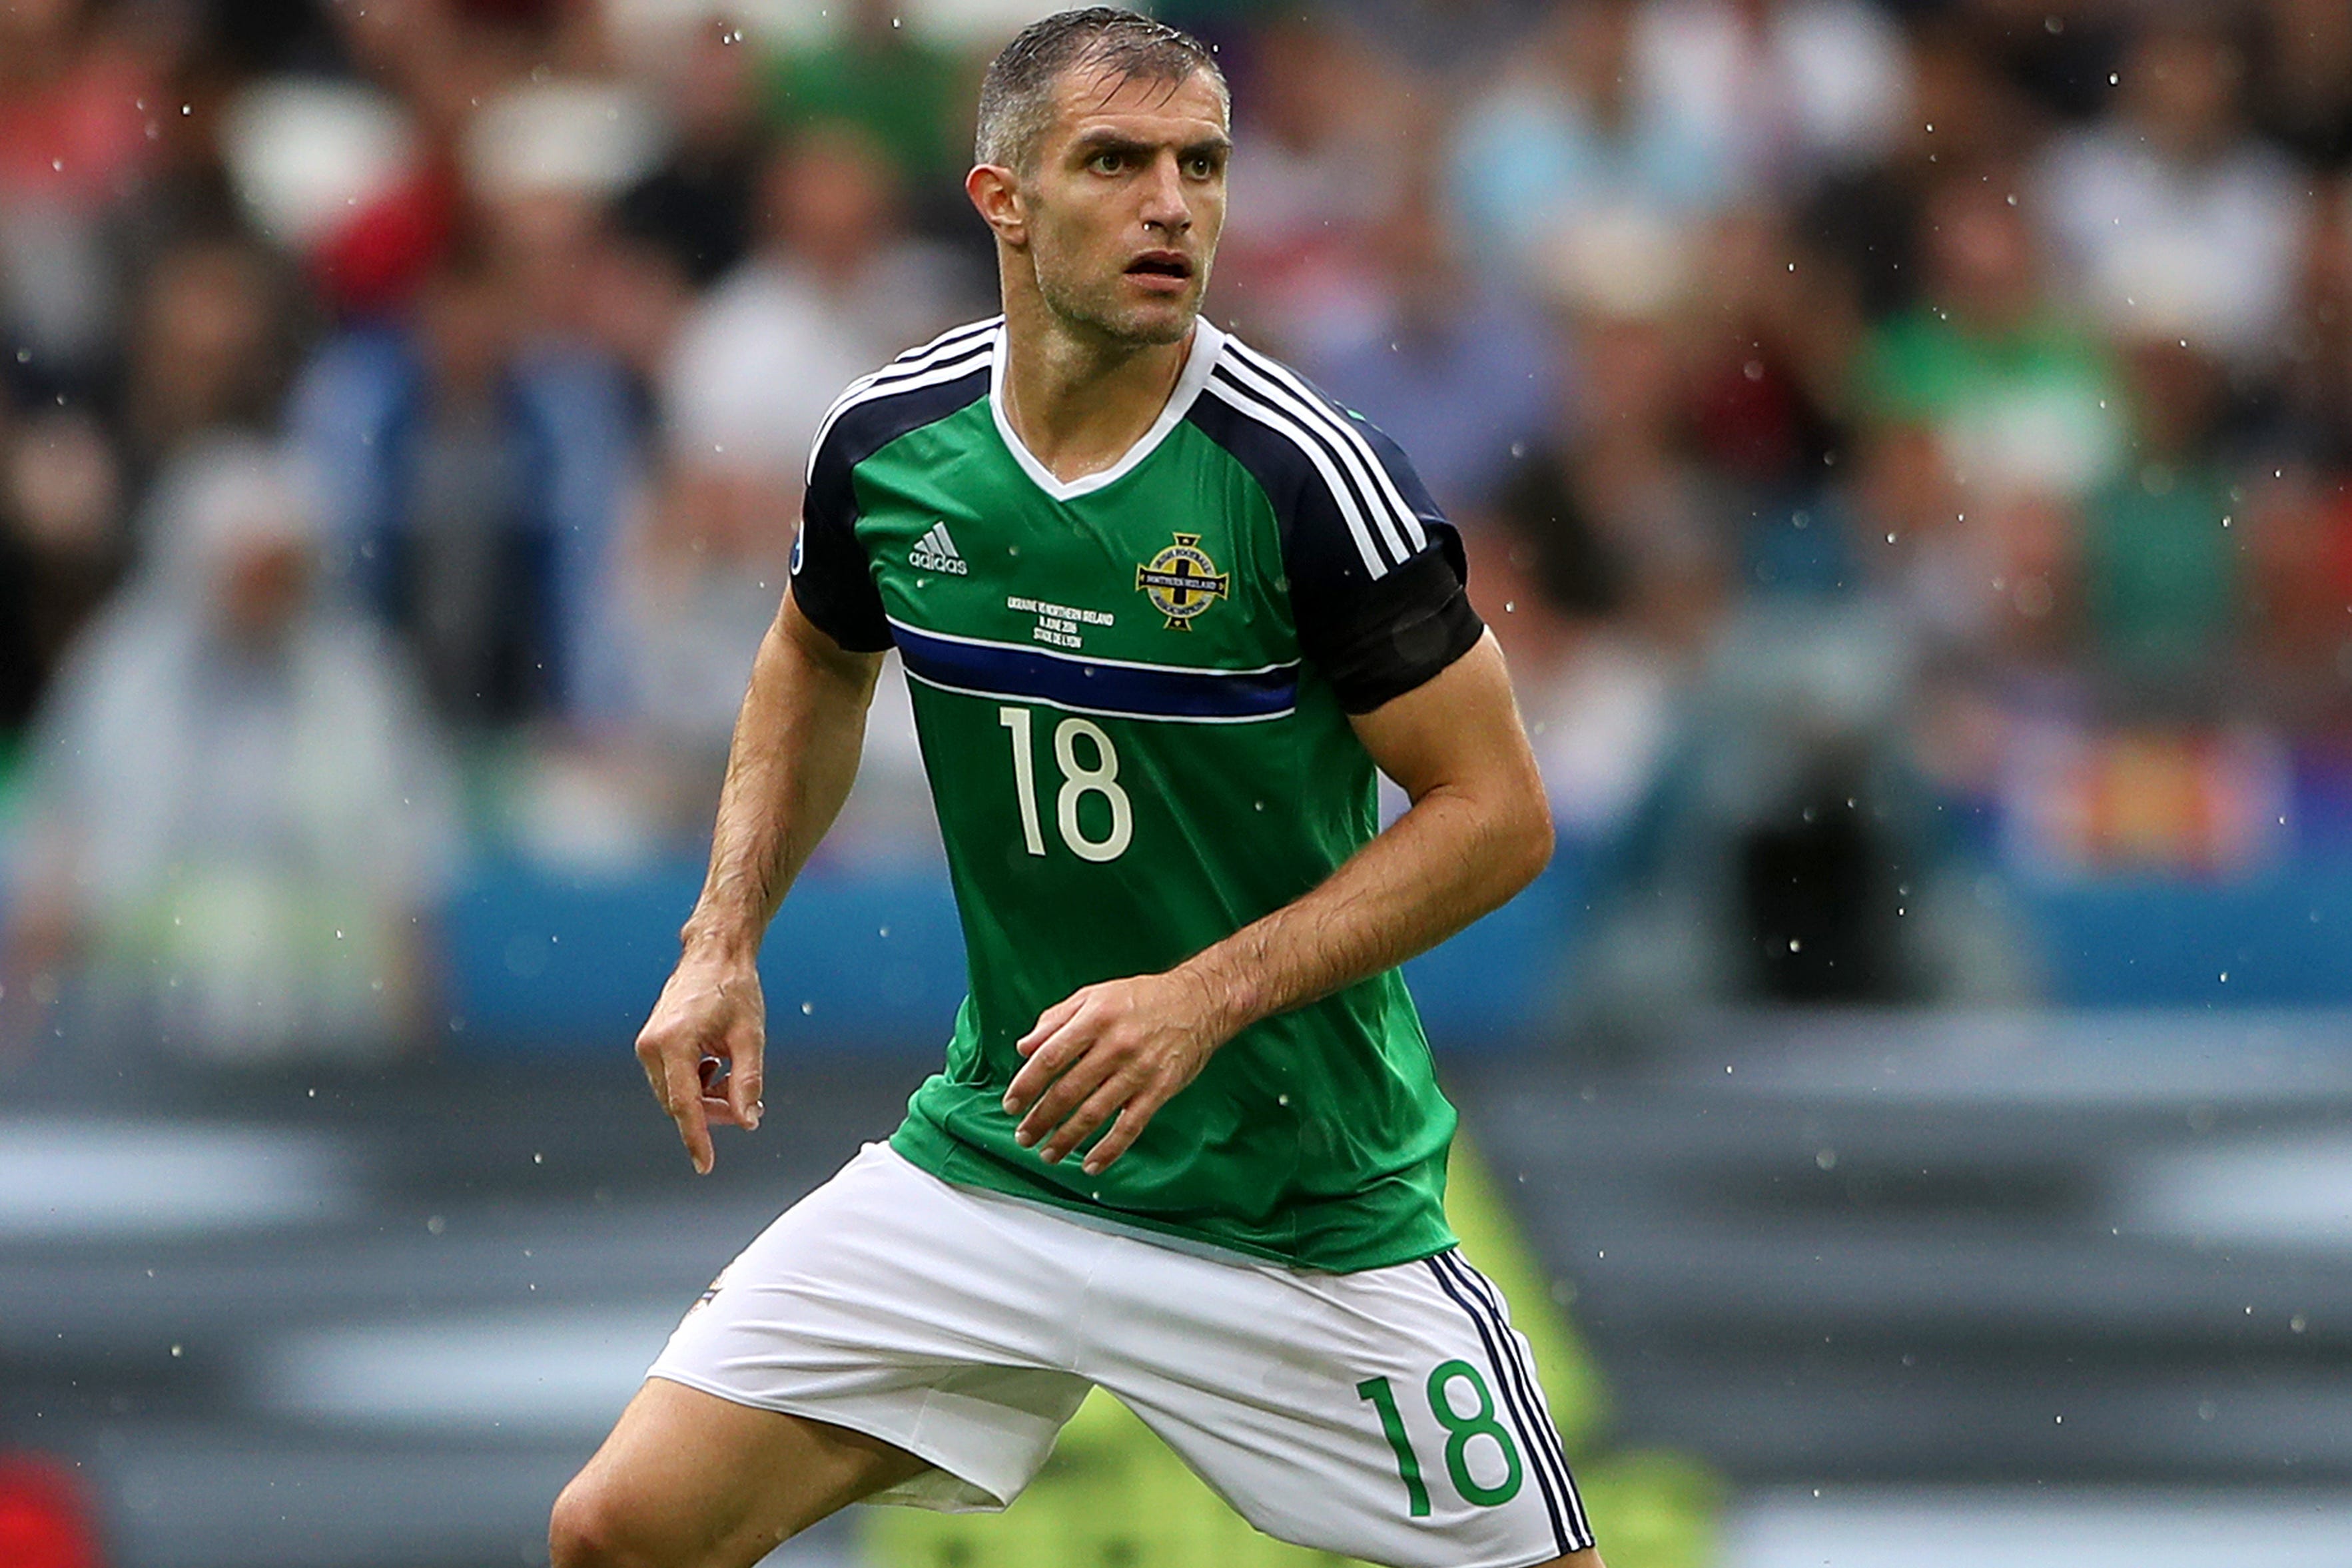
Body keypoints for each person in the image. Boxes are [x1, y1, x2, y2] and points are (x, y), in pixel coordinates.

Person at [551, 13, 1599, 1568]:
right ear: (1002, 201)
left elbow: (1498, 814)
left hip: (1295, 1206)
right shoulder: (890, 446)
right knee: (618, 1531)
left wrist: (1197, 997)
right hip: (1006, 1155)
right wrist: (723, 936)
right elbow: (814, 658)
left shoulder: (1309, 481)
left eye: (1202, 164)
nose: (1170, 203)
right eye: (1114, 161)